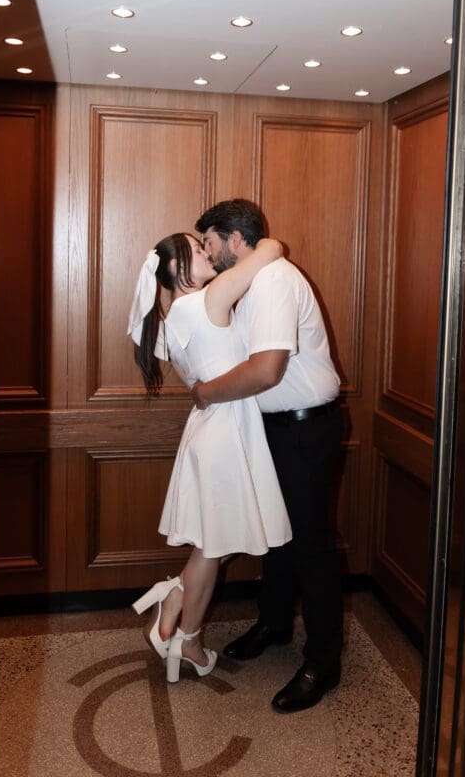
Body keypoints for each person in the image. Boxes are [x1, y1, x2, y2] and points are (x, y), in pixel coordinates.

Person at [193, 198, 343, 714]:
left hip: (305, 428)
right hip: (271, 428)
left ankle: (325, 660)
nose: (208, 257)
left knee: (310, 545)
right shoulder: (251, 280)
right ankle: (275, 624)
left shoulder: (275, 280)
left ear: (237, 240)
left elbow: (266, 371)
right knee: (273, 537)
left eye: (211, 244)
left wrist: (207, 392)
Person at [128, 231, 292, 684]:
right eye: (199, 251)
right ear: (179, 269)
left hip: (212, 429)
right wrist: (258, 245)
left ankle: (175, 599)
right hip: (226, 432)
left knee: (215, 541)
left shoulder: (172, 317)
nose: (209, 253)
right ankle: (190, 638)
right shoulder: (207, 299)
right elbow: (271, 249)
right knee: (214, 545)